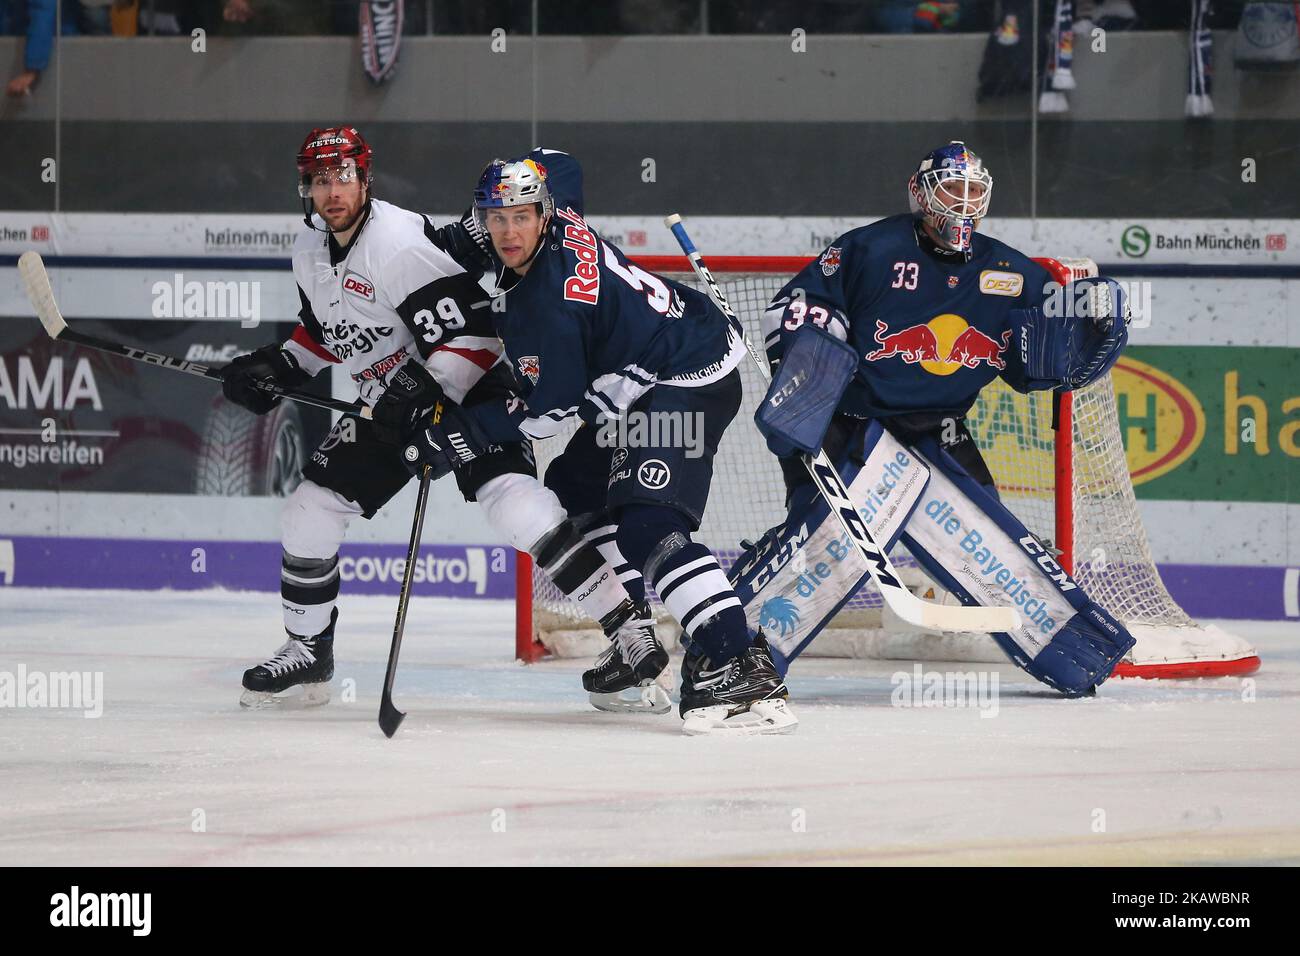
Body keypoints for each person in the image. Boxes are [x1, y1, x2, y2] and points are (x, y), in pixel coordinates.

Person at [221, 128, 661, 713]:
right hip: (388, 403)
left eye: (344, 176)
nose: (334, 191)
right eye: (321, 179)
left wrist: (423, 390)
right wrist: (278, 366)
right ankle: (308, 653)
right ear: (307, 186)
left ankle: (628, 631)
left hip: (472, 390)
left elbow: (475, 333)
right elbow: (332, 334)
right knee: (309, 511)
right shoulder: (308, 251)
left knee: (518, 507)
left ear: (364, 177)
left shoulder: (396, 242)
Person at [406, 149, 797, 735]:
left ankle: (737, 661)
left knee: (647, 526)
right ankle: (633, 633)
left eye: (520, 217)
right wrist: (463, 235)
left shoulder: (547, 305)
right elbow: (557, 161)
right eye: (496, 216)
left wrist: (464, 438)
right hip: (642, 372)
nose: (509, 231)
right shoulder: (560, 215)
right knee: (574, 488)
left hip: (682, 381)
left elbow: (548, 412)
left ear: (544, 214)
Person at [731, 141, 1136, 696]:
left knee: (987, 534)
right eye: (952, 188)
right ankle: (733, 642)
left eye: (975, 190)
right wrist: (806, 379)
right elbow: (799, 307)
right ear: (920, 193)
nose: (964, 203)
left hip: (938, 428)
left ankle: (1071, 651)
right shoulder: (870, 249)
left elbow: (1038, 358)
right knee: (820, 542)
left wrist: (1077, 337)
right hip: (849, 422)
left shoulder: (1009, 272)